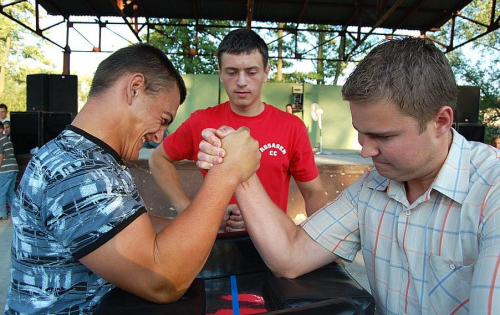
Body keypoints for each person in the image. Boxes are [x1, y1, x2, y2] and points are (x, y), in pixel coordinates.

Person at [198, 38, 500, 313]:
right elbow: (290, 256)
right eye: (360, 133)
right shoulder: (374, 187)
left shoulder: (492, 194)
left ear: (441, 121)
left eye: (383, 136)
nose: (365, 151)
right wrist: (240, 169)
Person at [5, 44, 261, 314]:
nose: (159, 136)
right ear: (135, 88)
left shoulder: (84, 157)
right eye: (163, 119)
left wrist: (204, 221)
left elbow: (126, 228)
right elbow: (163, 282)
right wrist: (225, 175)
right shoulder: (77, 171)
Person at [149, 29, 326, 232]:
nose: (241, 82)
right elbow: (158, 159)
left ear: (266, 73)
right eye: (232, 72)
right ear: (221, 73)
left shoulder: (292, 127)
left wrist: (321, 242)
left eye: (251, 72)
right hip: (213, 240)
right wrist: (188, 210)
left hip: (273, 242)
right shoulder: (201, 121)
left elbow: (314, 192)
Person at [0, 121, 18, 220]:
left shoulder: (0, 140)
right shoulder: (6, 140)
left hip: (5, 170)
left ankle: (2, 213)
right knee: (10, 192)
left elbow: (0, 156)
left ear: (0, 129)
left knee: (1, 192)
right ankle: (16, 212)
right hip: (13, 168)